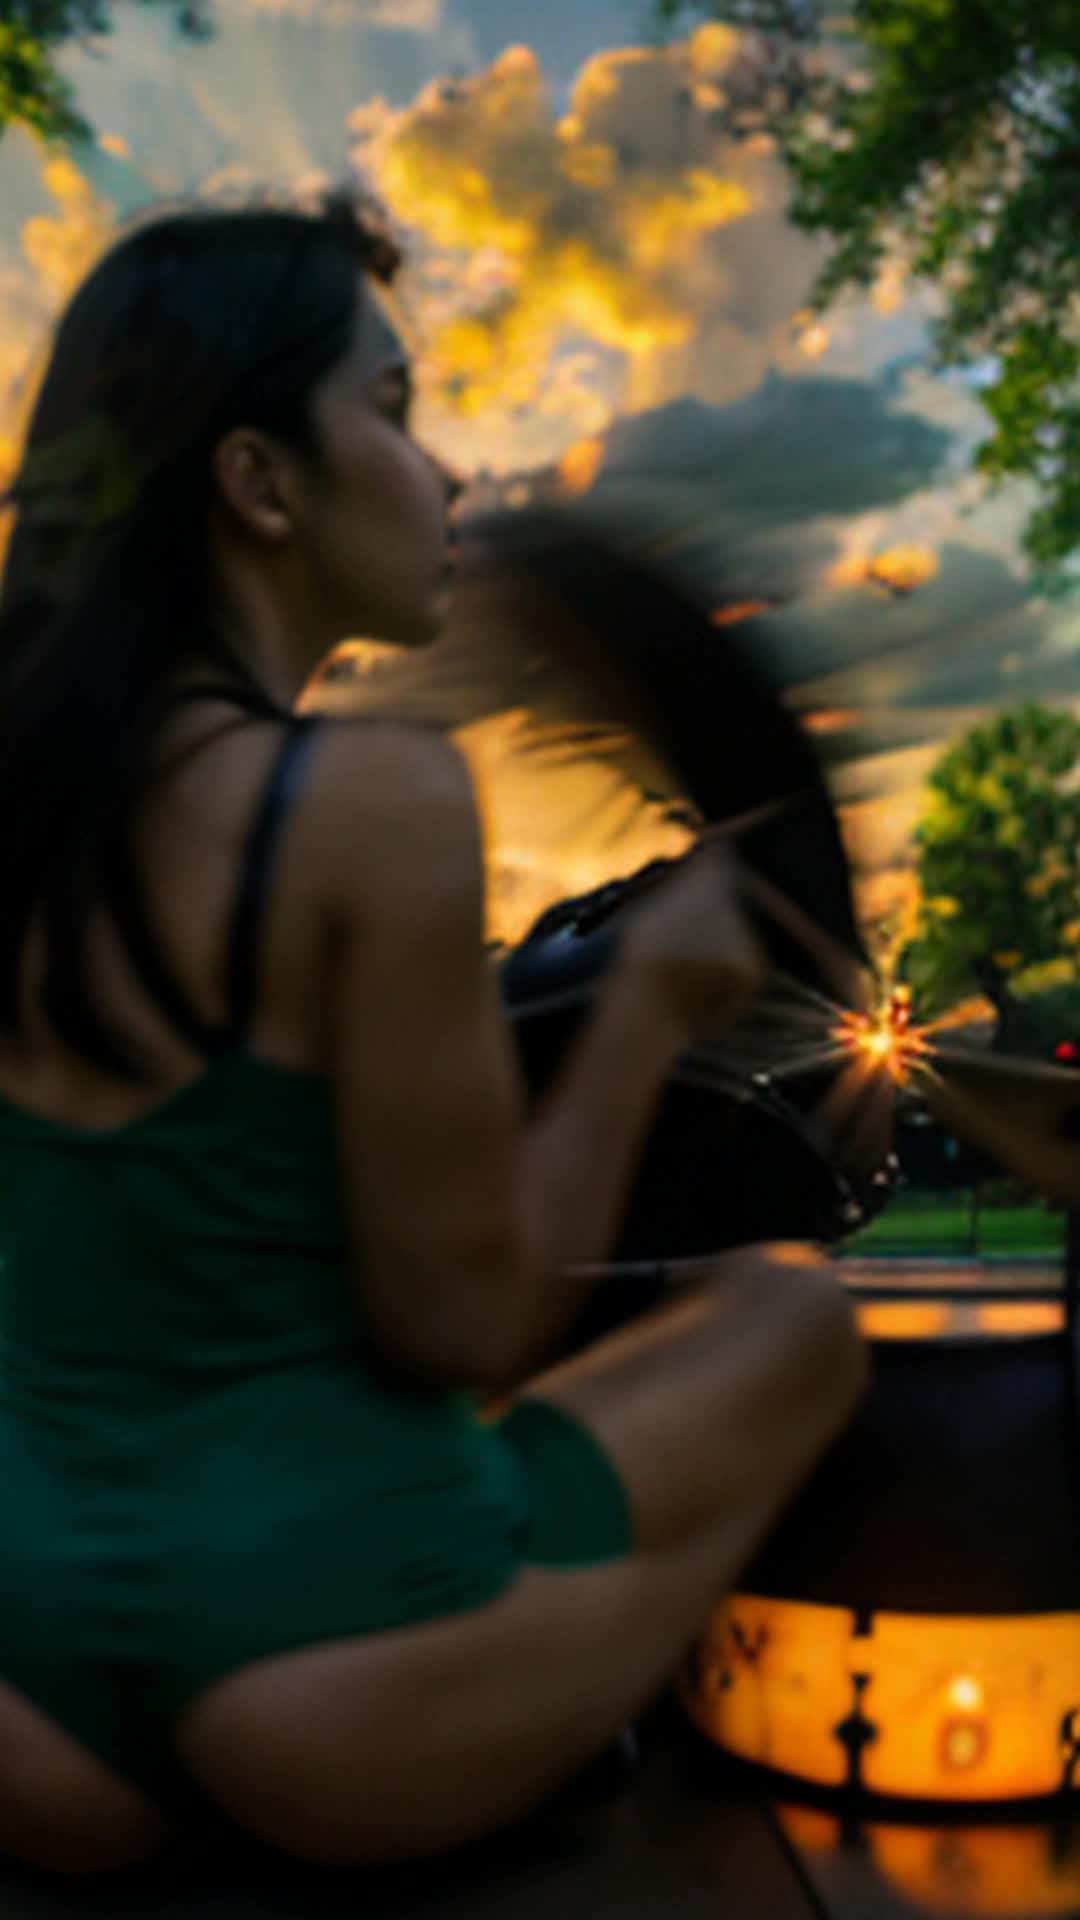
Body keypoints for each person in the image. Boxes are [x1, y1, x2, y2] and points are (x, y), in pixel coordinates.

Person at [0, 191, 866, 1876]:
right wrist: (645, 1013)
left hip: (29, 1688)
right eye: (393, 414)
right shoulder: (365, 799)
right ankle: (548, 1714)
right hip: (316, 1681)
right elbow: (464, 1323)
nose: (447, 471)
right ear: (258, 483)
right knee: (792, 1315)